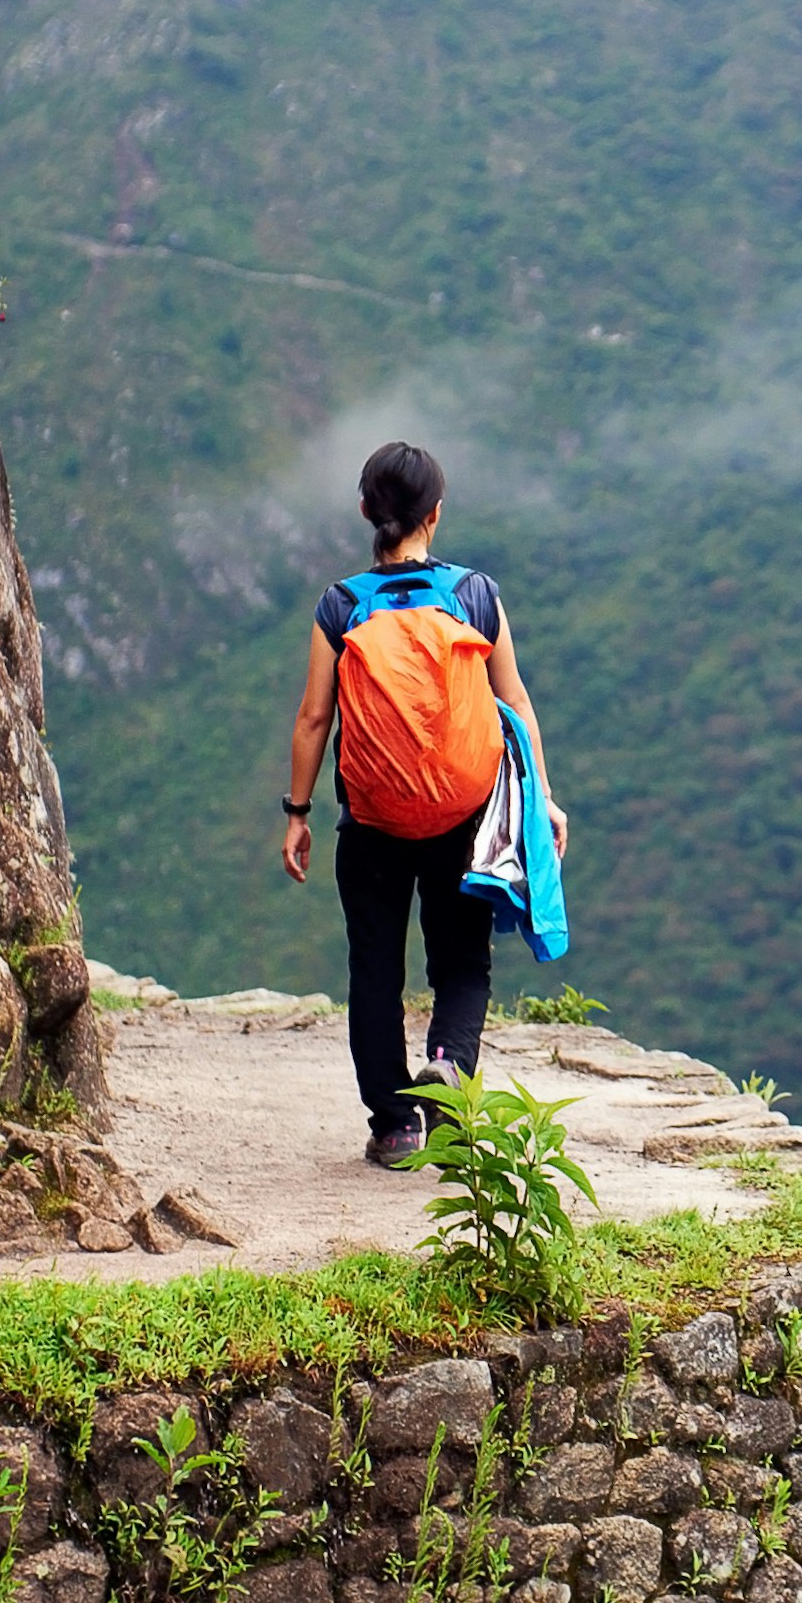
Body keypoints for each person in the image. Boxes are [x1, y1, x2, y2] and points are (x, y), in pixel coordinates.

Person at [282, 441, 569, 1166]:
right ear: (435, 514)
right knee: (462, 962)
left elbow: (314, 718)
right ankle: (447, 1068)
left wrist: (297, 812)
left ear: (365, 512)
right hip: (463, 818)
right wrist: (542, 797)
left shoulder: (341, 605)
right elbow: (515, 699)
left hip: (372, 824)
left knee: (376, 968)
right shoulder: (475, 594)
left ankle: (394, 1122)